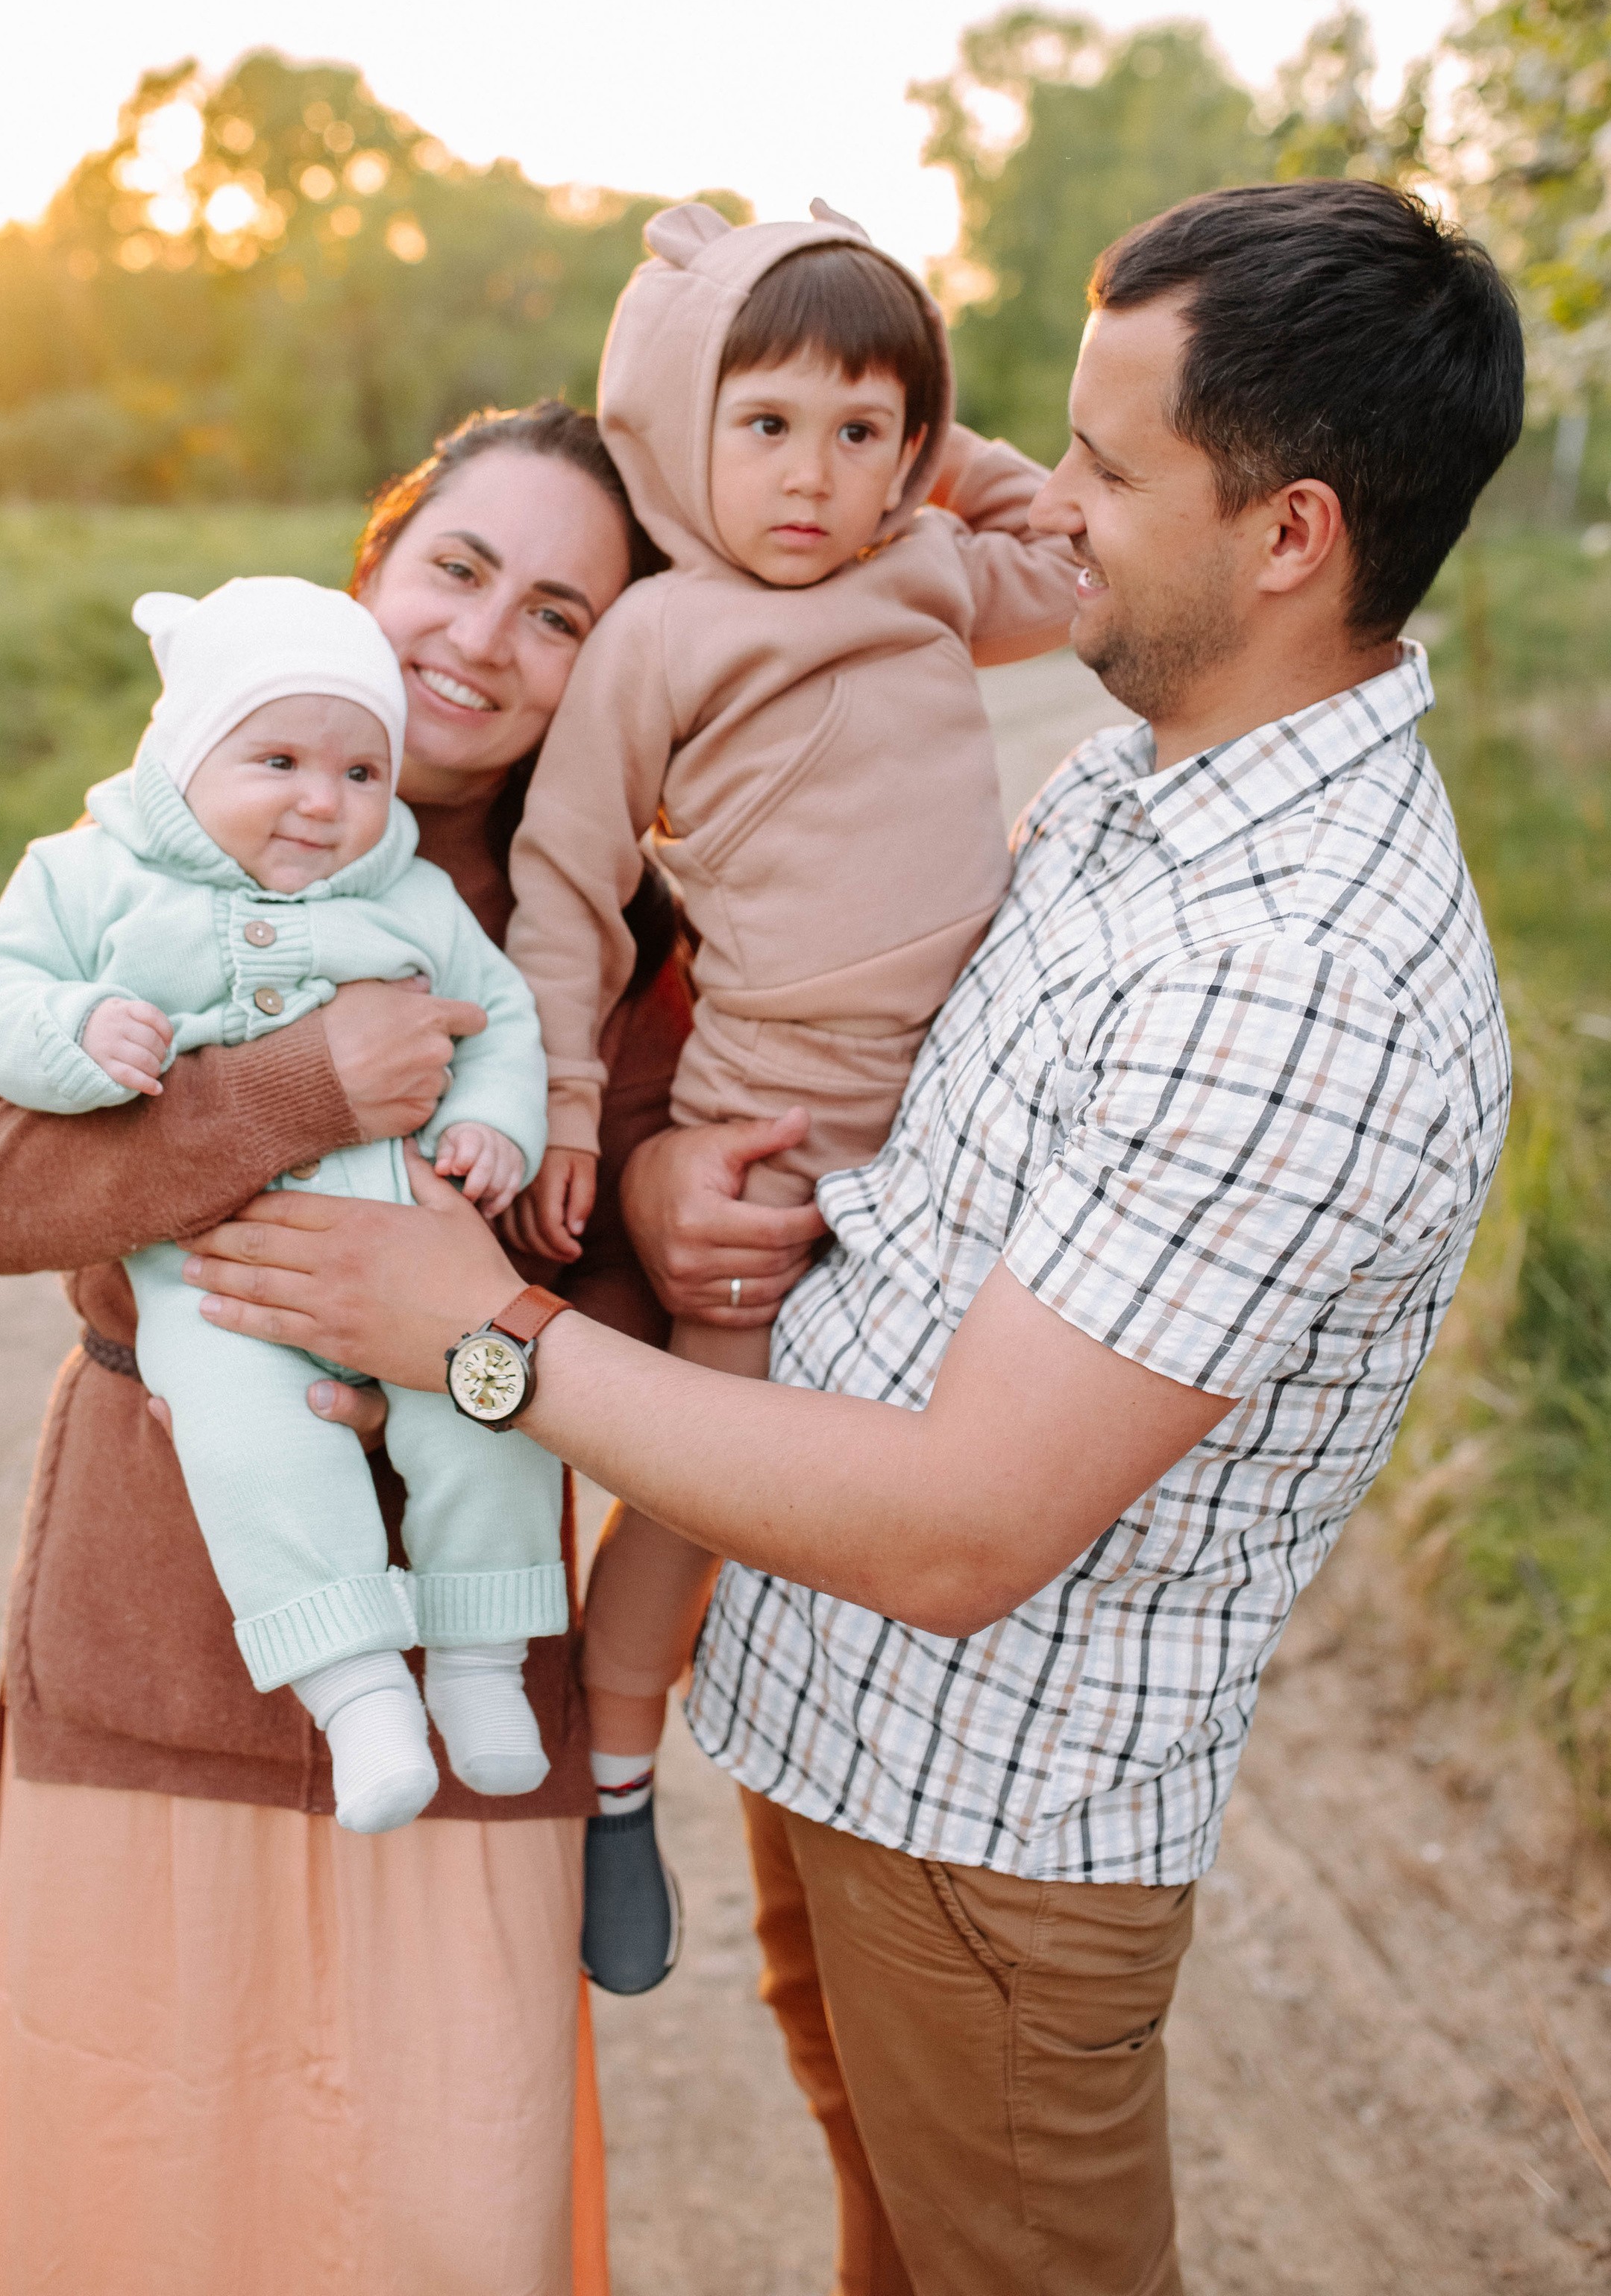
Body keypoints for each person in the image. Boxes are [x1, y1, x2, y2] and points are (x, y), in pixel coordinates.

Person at [178, 179, 1525, 2296]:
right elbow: (884, 1142)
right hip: (845, 1742)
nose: (1040, 502)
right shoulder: (1135, 794)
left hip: (991, 1836)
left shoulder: (1298, 977)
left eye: (1104, 468)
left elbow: (964, 1529)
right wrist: (652, 1184)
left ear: (1289, 536)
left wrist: (481, 1337)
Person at [0, 400, 689, 2296]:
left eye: (560, 614)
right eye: (457, 568)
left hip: (474, 1680)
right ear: (369, 571)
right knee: (154, 2198)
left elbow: (638, 1312)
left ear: (607, 668)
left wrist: (468, 1331)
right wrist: (298, 1087)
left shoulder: (613, 941)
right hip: (155, 1644)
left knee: (450, 2208)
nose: (483, 639)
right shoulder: (168, 832)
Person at [504, 200, 1077, 1988]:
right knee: (706, 1474)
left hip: (964, 1118)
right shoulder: (658, 637)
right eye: (763, 424)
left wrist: (937, 444)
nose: (812, 477)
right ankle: (613, 1780)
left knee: (967, 1457)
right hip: (772, 1123)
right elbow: (566, 882)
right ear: (681, 425)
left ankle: (914, 1797)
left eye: (859, 431)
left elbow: (1065, 553)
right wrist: (572, 1104)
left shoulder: (927, 573)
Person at [0, 576, 559, 1835]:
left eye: (360, 773)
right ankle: (359, 1693)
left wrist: (493, 1122)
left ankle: (481, 1661)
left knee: (490, 1411)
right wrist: (78, 1030)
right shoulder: (90, 876)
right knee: (254, 1450)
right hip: (218, 1281)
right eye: (277, 762)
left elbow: (500, 1015)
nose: (323, 803)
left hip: (416, 1253)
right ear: (185, 758)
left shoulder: (410, 895)